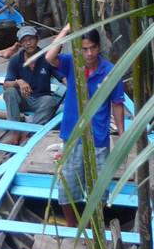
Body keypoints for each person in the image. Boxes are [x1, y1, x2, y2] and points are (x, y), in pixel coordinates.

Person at [45, 24, 125, 227]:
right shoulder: (72, 64)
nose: (89, 53)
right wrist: (64, 31)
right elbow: (49, 57)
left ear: (99, 48)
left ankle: (91, 227)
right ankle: (73, 227)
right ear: (78, 50)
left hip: (99, 138)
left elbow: (117, 104)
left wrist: (122, 135)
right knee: (67, 187)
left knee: (99, 190)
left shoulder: (110, 71)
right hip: (72, 136)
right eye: (84, 49)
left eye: (93, 48)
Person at [2, 25, 61, 145]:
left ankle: (29, 133)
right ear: (20, 44)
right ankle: (15, 131)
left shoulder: (46, 57)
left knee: (50, 101)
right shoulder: (15, 59)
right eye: (24, 40)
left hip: (41, 100)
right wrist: (18, 82)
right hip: (23, 100)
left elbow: (62, 77)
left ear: (37, 39)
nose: (28, 43)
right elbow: (6, 84)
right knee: (9, 92)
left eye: (31, 39)